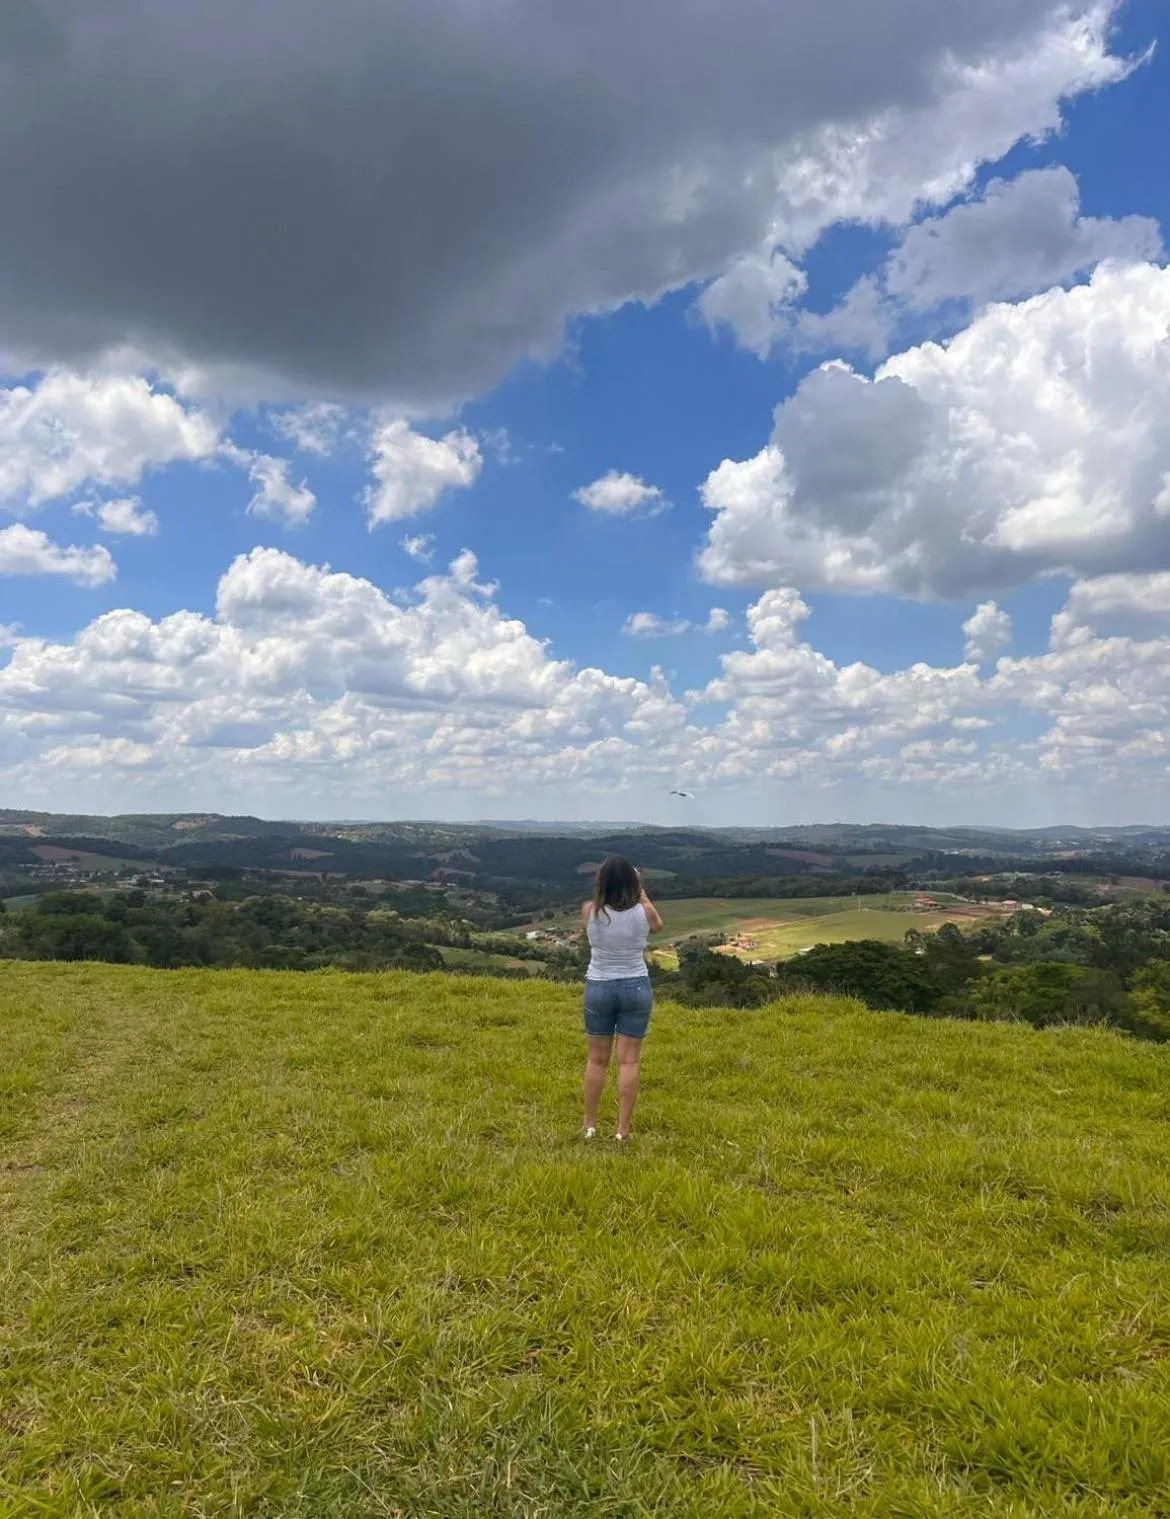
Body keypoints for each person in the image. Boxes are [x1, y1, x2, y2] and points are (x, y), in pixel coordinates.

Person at [580, 856, 664, 1142]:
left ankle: (590, 1125)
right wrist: (641, 889)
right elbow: (658, 926)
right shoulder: (644, 912)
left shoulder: (589, 911)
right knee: (628, 1062)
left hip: (599, 986)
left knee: (596, 1060)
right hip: (635, 986)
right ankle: (622, 1131)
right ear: (633, 882)